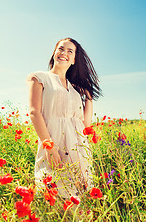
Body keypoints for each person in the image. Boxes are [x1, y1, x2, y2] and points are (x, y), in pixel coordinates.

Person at [27, 38, 102, 198]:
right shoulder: (40, 78)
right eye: (61, 49)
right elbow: (34, 112)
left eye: (70, 51)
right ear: (54, 52)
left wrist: (88, 98)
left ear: (74, 59)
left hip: (78, 148)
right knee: (53, 195)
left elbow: (84, 124)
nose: (64, 53)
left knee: (77, 200)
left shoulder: (75, 89)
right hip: (54, 145)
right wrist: (50, 147)